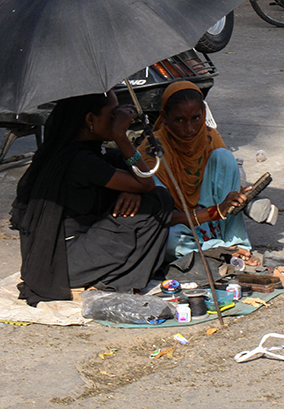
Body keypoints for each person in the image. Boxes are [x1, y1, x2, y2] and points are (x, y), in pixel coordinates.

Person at [10, 92, 174, 305]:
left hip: (54, 256)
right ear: (90, 120)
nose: (118, 118)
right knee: (158, 201)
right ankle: (117, 281)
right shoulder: (81, 161)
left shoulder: (72, 150)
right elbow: (146, 182)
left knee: (121, 163)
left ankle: (113, 274)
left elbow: (139, 182)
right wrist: (120, 135)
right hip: (64, 264)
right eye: (112, 114)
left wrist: (132, 188)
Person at [139, 82, 277, 264]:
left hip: (213, 222)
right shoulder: (152, 153)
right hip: (178, 224)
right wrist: (216, 210)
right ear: (164, 117)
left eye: (196, 118)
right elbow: (160, 216)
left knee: (224, 157)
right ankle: (220, 251)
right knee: (170, 242)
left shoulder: (210, 138)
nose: (189, 129)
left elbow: (225, 198)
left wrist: (240, 196)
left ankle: (235, 244)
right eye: (180, 120)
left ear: (203, 114)